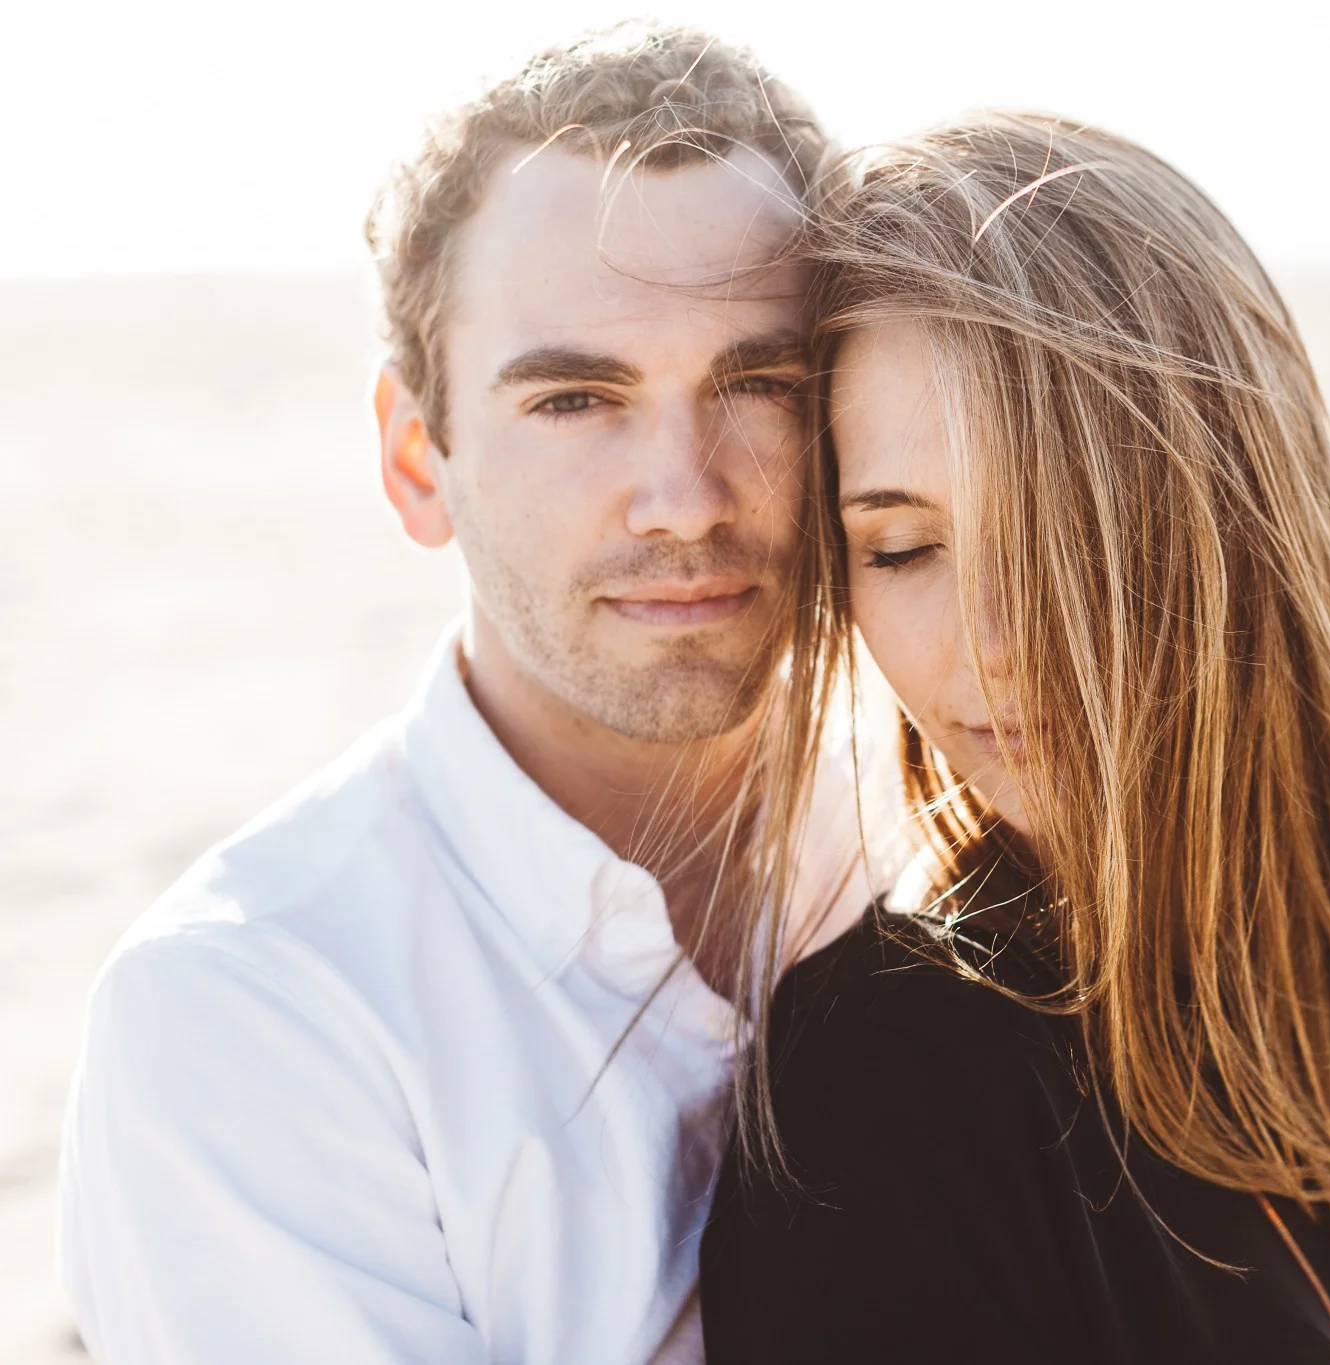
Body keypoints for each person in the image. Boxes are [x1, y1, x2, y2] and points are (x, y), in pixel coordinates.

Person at [699, 113, 1330, 1363]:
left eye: (1058, 525)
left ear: (1232, 513)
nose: (992, 642)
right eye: (900, 547)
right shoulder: (881, 1091)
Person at [57, 24, 862, 1364]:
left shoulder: (962, 852)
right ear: (418, 461)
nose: (685, 498)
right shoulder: (253, 1014)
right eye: (575, 401)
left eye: (760, 384)